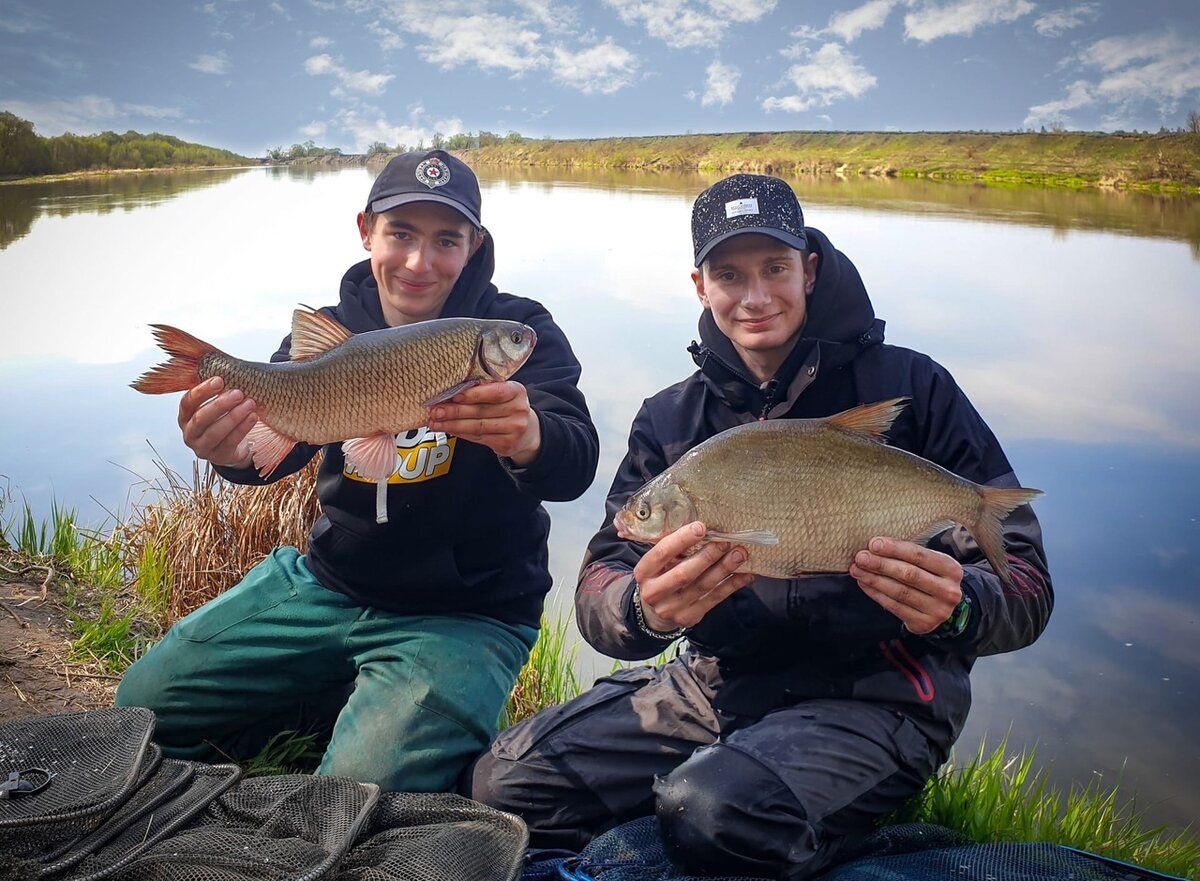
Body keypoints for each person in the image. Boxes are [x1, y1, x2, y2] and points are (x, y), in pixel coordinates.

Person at [468, 174, 1052, 879]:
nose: (755, 296)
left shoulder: (915, 389)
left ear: (807, 267)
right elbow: (600, 583)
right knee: (504, 785)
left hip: (877, 695)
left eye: (774, 268)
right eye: (729, 273)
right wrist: (643, 609)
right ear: (699, 284)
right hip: (716, 685)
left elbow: (1024, 583)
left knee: (713, 813)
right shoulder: (671, 421)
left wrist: (962, 607)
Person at [116, 150, 600, 793]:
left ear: (475, 245)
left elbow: (576, 464)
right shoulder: (330, 331)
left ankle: (381, 714)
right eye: (400, 233)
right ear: (365, 229)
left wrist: (531, 438)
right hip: (330, 582)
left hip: (466, 609)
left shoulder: (521, 327)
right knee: (140, 708)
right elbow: (273, 454)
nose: (419, 262)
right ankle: (335, 696)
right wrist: (232, 454)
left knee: (354, 796)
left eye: (446, 240)